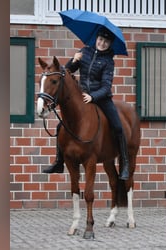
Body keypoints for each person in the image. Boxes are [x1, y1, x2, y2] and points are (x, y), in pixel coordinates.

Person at [42, 27, 129, 180]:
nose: (102, 43)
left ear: (110, 44)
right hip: (82, 97)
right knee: (60, 126)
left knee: (118, 126)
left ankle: (125, 164)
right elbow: (65, 73)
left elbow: (106, 86)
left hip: (101, 98)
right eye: (100, 40)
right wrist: (73, 60)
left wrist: (93, 97)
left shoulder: (109, 61)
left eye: (106, 41)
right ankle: (59, 161)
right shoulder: (85, 52)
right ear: (96, 39)